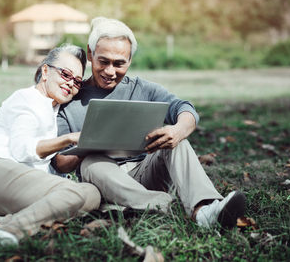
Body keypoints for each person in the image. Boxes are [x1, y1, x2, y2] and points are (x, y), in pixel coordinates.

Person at [51, 17, 246, 229]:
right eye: (103, 61)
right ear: (90, 54)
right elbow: (60, 162)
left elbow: (185, 109)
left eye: (119, 64)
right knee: (91, 162)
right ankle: (165, 206)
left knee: (176, 142)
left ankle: (204, 210)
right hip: (103, 180)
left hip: (144, 171)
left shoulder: (142, 89)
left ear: (130, 59)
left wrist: (178, 130)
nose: (110, 71)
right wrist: (91, 142)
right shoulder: (70, 98)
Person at [0, 44, 101, 245]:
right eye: (65, 74)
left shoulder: (55, 111)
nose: (70, 83)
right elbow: (22, 150)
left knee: (91, 194)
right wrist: (69, 139)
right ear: (45, 71)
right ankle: (6, 232)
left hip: (16, 187)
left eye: (77, 81)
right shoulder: (26, 99)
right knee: (73, 192)